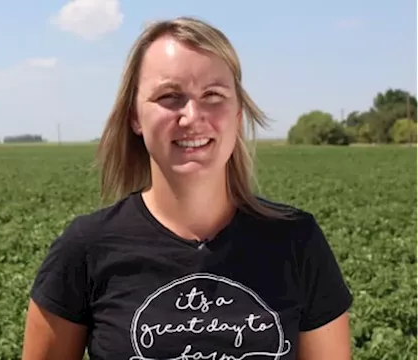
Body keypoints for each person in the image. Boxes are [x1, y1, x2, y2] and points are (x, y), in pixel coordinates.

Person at [21, 16, 353, 360]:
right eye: (169, 96)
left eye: (213, 94)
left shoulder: (296, 242)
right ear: (135, 116)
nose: (192, 116)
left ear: (237, 114)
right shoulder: (85, 250)